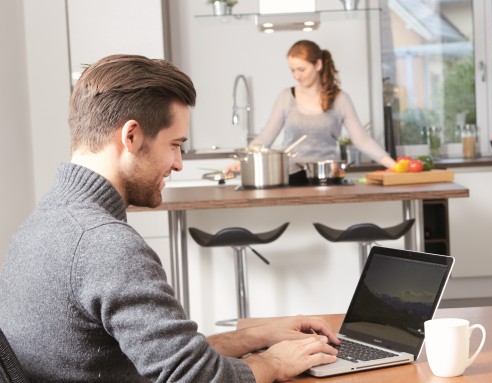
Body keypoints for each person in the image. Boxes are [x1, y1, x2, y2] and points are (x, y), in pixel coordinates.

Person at [0, 54, 340, 382]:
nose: (177, 163)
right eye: (175, 144)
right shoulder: (103, 244)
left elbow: (157, 362)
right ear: (130, 136)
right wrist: (274, 362)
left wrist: (255, 337)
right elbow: (195, 378)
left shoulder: (43, 223)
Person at [227, 40, 396, 185]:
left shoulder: (340, 99)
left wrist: (395, 166)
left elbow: (363, 141)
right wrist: (242, 162)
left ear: (318, 65)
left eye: (301, 69)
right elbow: (265, 139)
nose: (296, 76)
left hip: (328, 177)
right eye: (292, 70)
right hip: (291, 176)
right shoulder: (286, 98)